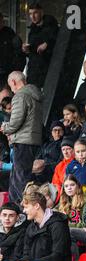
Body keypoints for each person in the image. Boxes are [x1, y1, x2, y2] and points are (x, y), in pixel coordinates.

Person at [0, 192, 71, 261]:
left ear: (36, 206)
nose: (24, 210)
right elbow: (27, 254)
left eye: (26, 207)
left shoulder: (58, 224)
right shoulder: (31, 227)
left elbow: (58, 256)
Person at [0, 71, 42, 203]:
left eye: (10, 85)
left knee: (19, 178)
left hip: (22, 141)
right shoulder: (36, 95)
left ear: (13, 82)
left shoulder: (20, 96)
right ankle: (16, 207)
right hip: (33, 140)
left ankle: (19, 209)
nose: (11, 89)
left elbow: (15, 122)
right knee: (21, 176)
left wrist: (4, 127)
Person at [22, 3, 58, 88]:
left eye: (35, 13)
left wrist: (47, 44)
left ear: (41, 12)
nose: (32, 16)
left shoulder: (52, 26)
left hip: (49, 69)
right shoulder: (32, 31)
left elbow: (59, 41)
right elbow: (33, 52)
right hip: (33, 71)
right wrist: (26, 50)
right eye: (30, 14)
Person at [0, 12, 25, 86]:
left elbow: (20, 54)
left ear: (2, 21)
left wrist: (14, 72)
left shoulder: (10, 34)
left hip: (7, 75)